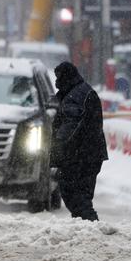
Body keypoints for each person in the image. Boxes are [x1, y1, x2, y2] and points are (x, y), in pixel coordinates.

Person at [50, 61, 108, 221]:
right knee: (78, 195)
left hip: (82, 156)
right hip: (87, 155)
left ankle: (91, 225)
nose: (56, 83)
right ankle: (86, 225)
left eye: (58, 78)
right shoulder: (79, 91)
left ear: (66, 77)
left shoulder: (75, 96)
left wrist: (57, 146)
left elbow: (70, 126)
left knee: (76, 195)